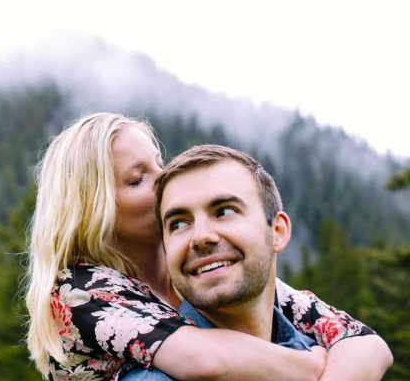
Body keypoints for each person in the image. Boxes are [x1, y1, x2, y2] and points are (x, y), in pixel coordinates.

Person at [25, 113, 392, 381]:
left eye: (159, 165)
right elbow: (204, 361)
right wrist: (312, 366)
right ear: (91, 207)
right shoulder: (80, 289)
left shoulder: (201, 266)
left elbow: (363, 342)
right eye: (138, 179)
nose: (164, 181)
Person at [121, 144, 393, 380]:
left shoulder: (329, 360)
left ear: (277, 232)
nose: (201, 237)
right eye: (179, 223)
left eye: (224, 211)